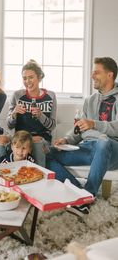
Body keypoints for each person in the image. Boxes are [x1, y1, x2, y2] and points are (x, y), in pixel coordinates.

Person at [46, 57, 118, 217]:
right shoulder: (90, 100)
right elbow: (79, 127)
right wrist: (66, 140)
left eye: (96, 73)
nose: (92, 76)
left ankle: (87, 196)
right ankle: (80, 194)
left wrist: (95, 124)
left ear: (110, 75)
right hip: (88, 148)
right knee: (46, 153)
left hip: (112, 149)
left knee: (104, 141)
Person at [0, 60, 57, 167]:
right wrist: (14, 114)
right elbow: (9, 125)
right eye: (24, 78)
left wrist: (41, 116)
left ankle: (39, 176)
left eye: (31, 77)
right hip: (19, 137)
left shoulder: (51, 96)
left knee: (36, 142)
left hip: (40, 138)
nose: (27, 81)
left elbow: (52, 125)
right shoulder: (17, 95)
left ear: (39, 77)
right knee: (1, 140)